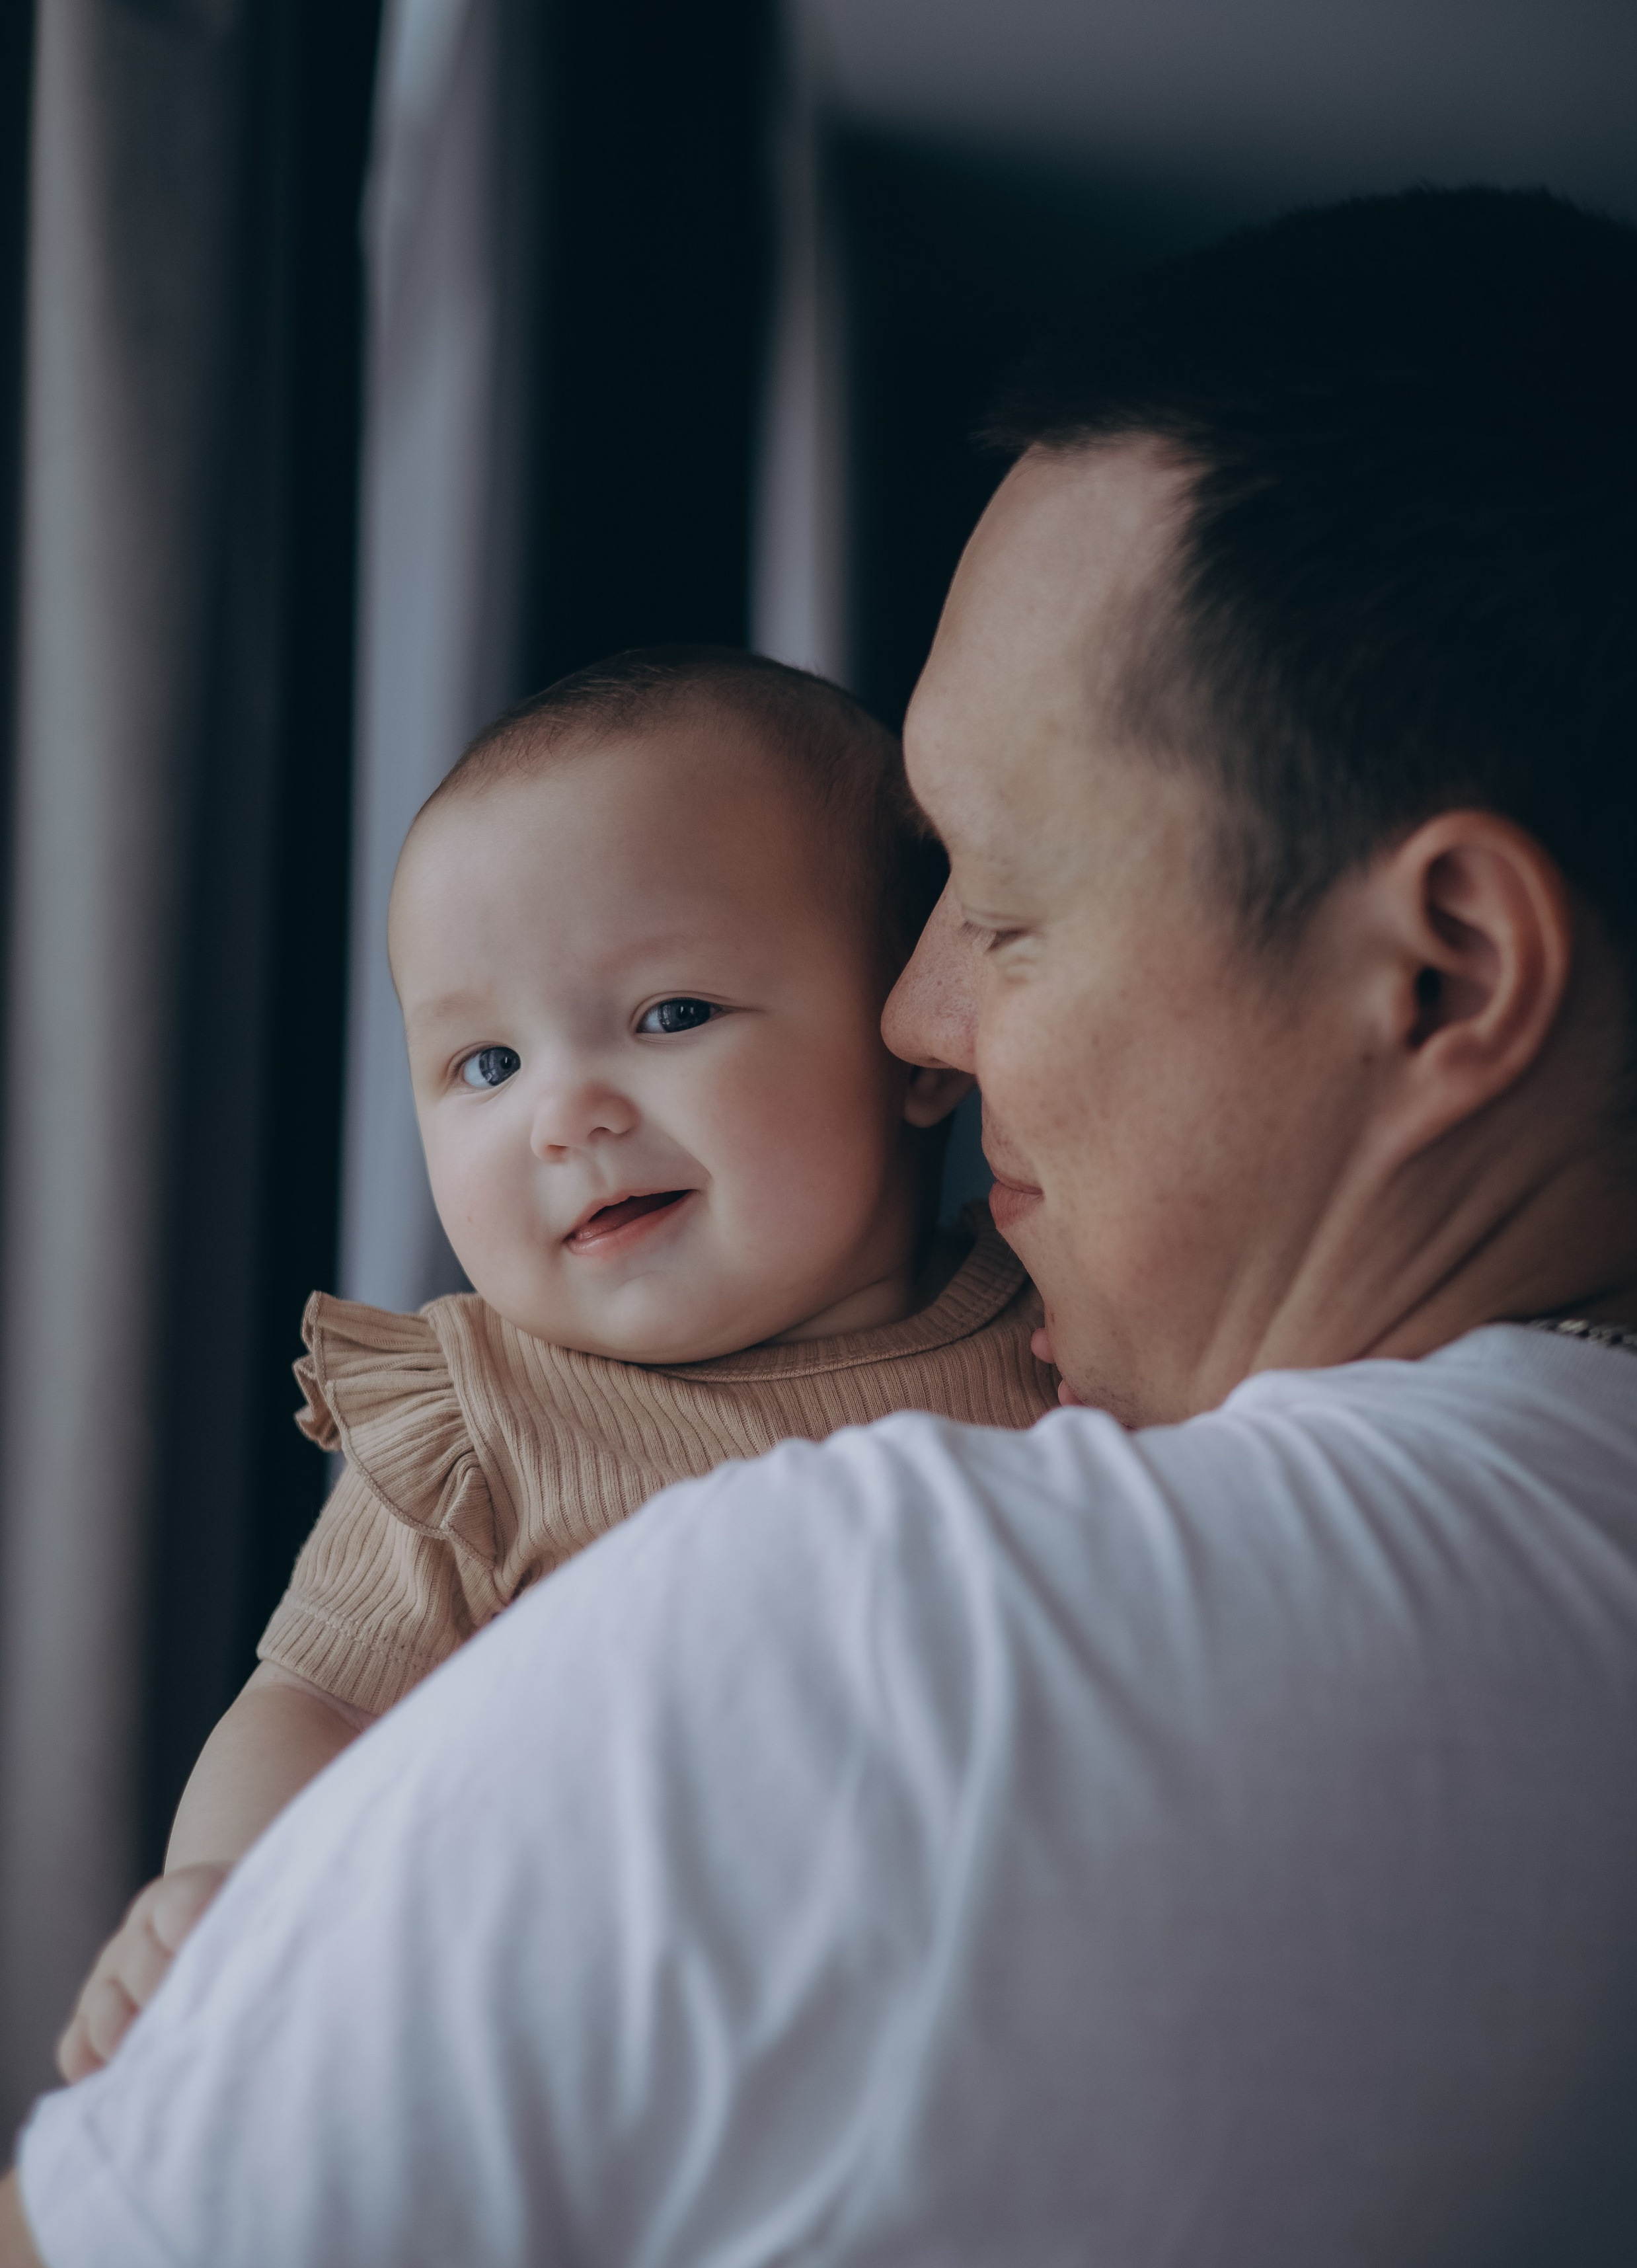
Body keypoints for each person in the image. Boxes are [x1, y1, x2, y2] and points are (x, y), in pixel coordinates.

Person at [5, 184, 1637, 2268]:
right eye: (469, 1062)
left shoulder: (884, 1635)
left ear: (1441, 977)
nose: (921, 1030)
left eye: (995, 915)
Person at [56, 645, 1054, 2082]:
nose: (564, 1115)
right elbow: (315, 1703)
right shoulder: (482, 1423)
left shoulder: (1051, 1317)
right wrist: (225, 1901)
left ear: (910, 1039)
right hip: (591, 2057)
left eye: (669, 1016)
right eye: (483, 1065)